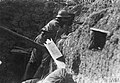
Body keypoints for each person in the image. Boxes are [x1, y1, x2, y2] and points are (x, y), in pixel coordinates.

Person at [22, 9, 75, 82]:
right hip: (42, 41)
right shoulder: (55, 24)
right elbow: (59, 35)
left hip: (48, 43)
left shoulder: (59, 24)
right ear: (60, 18)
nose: (66, 20)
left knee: (42, 62)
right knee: (34, 61)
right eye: (65, 19)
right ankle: (26, 79)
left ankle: (35, 79)